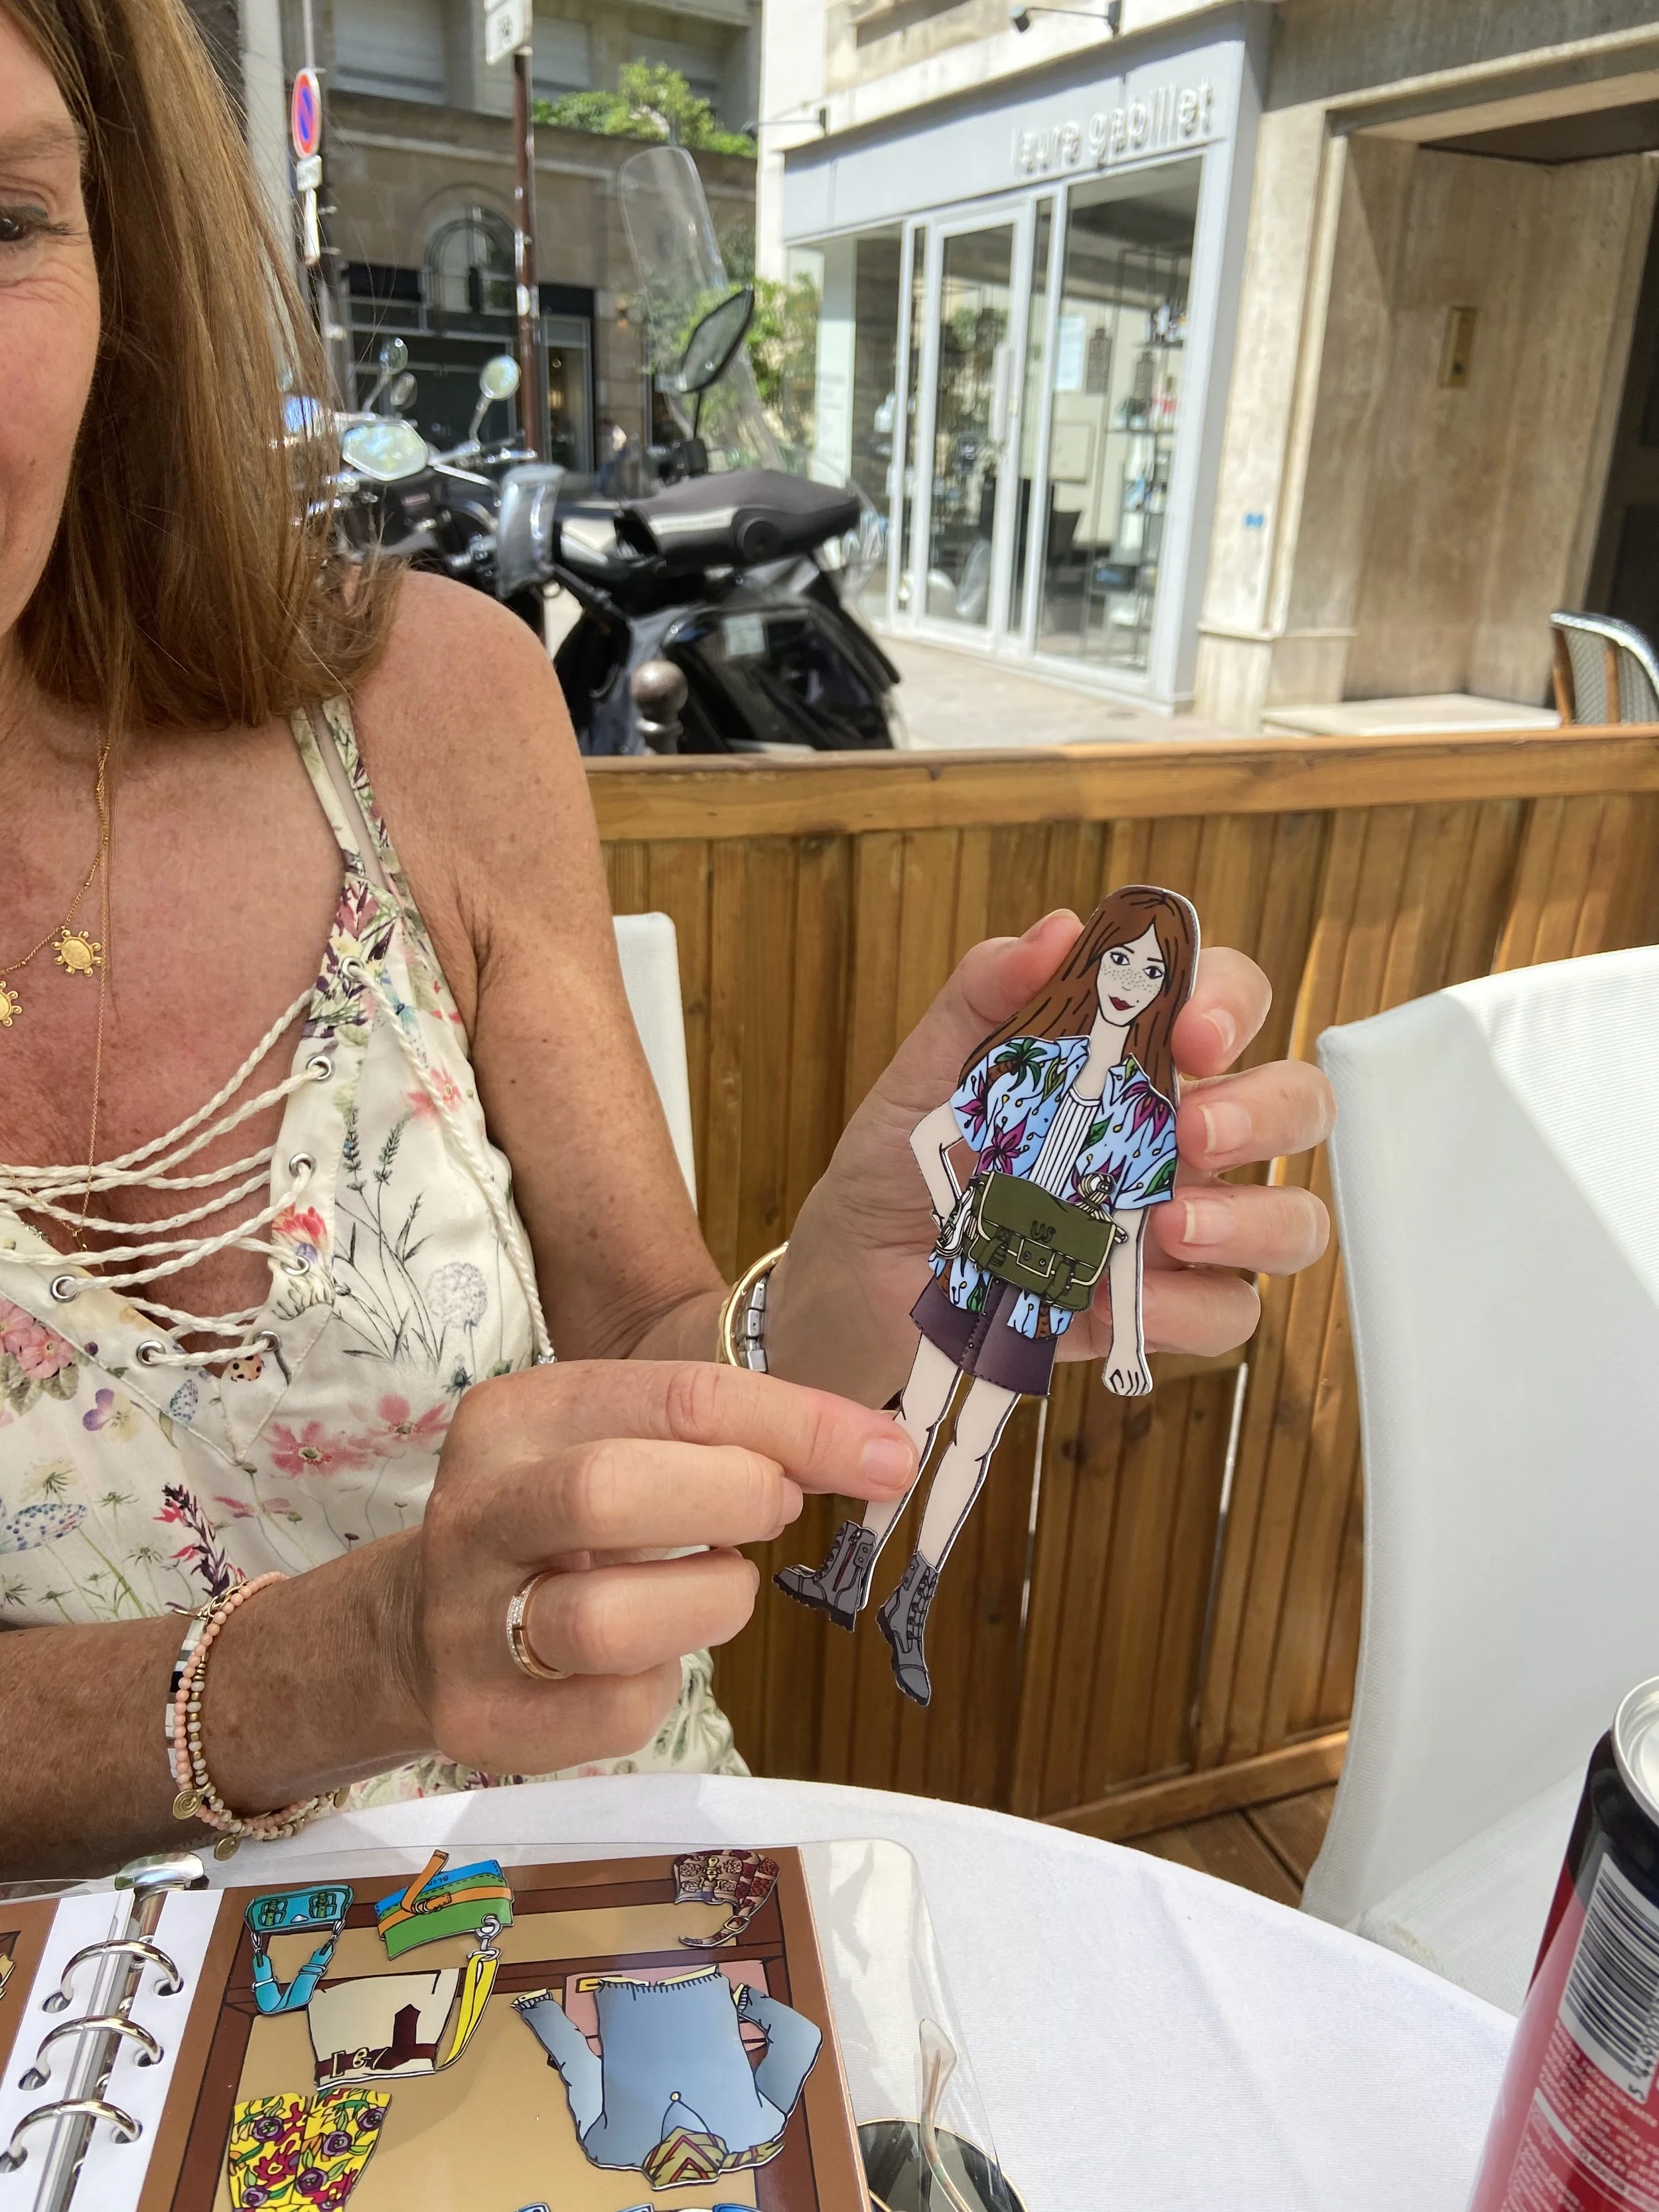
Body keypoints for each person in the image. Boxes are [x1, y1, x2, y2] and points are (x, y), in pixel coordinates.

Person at [0, 0, 1334, 1881]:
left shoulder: (428, 706)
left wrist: (845, 1296)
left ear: (125, 250)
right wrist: (355, 1655)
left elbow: (641, 1332)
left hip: (616, 1898)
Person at [777, 887, 1198, 1704]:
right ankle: (849, 1573)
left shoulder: (1148, 1116)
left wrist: (1125, 1340)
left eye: (1152, 972)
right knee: (917, 1414)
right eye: (1119, 958)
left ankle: (911, 1603)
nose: (1129, 982)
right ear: (1092, 959)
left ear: (1167, 989)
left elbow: (1124, 1234)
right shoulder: (1027, 1063)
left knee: (973, 1440)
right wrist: (953, 1213)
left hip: (1043, 1297)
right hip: (970, 1267)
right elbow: (930, 1137)